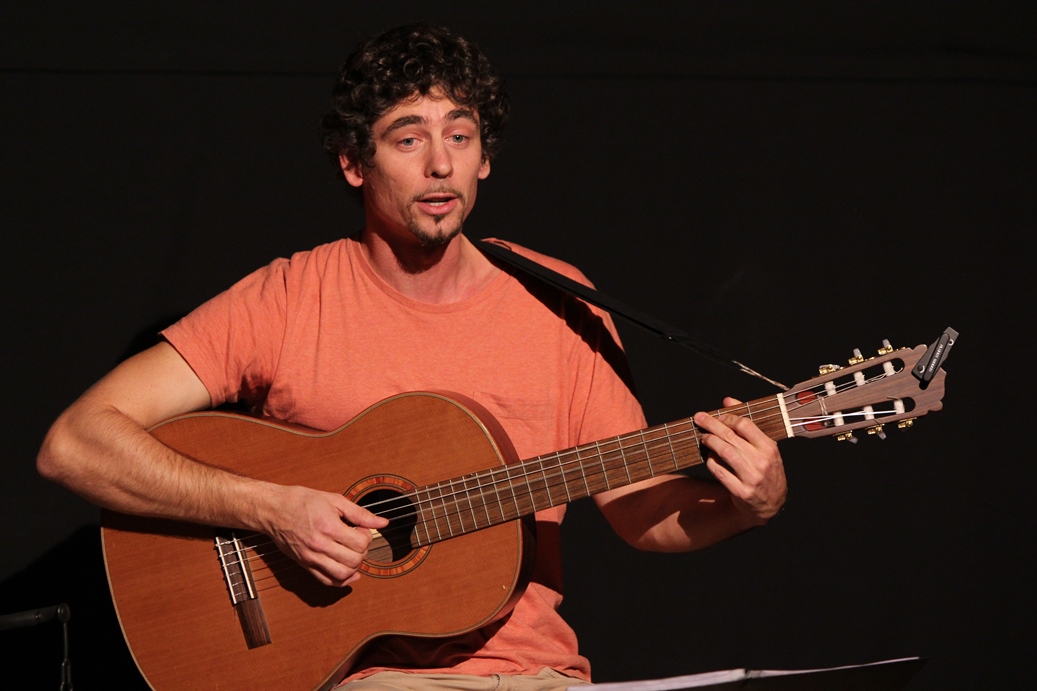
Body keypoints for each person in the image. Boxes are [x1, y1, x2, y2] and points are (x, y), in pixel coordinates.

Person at [36, 23, 786, 691]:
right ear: (353, 163)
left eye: (459, 137)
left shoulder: (561, 304)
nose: (439, 165)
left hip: (541, 676)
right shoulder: (289, 299)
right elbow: (75, 443)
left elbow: (641, 509)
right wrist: (270, 508)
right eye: (407, 139)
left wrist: (742, 506)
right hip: (370, 677)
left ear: (483, 158)